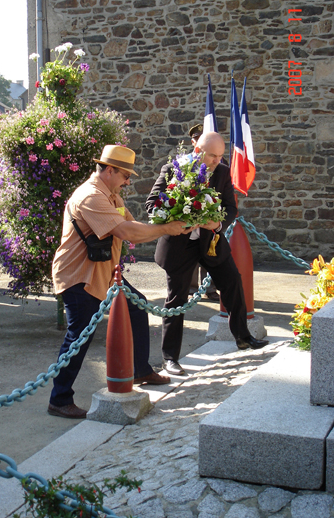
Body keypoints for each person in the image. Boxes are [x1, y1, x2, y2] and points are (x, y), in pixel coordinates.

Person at [49, 145, 193, 419]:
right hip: (80, 276)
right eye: (125, 175)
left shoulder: (111, 195)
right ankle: (59, 399)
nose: (128, 181)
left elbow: (134, 226)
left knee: (137, 308)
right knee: (79, 337)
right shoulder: (91, 197)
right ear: (109, 170)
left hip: (105, 273)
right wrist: (168, 229)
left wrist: (174, 221)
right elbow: (127, 232)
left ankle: (140, 370)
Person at [146, 131, 268, 376]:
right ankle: (170, 358)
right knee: (176, 300)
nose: (217, 161)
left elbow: (230, 207)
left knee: (233, 282)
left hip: (211, 242)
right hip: (179, 245)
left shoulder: (222, 172)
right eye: (213, 156)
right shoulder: (172, 169)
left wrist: (218, 223)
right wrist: (176, 215)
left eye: (220, 156)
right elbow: (151, 204)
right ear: (198, 151)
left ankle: (243, 337)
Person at [188, 124, 220, 302]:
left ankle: (210, 288)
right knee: (191, 255)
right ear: (194, 142)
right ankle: (191, 288)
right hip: (191, 217)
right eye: (196, 139)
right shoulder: (185, 164)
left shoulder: (218, 165)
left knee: (210, 251)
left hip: (210, 220)